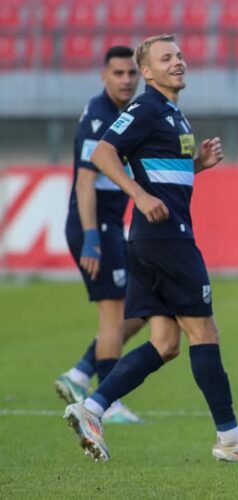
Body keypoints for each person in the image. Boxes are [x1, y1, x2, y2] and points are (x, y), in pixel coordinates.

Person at [62, 34, 238, 464]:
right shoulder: (146, 108)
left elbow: (160, 172)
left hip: (154, 240)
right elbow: (103, 154)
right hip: (166, 239)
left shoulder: (172, 114)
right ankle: (230, 438)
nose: (178, 62)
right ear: (147, 71)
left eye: (178, 55)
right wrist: (139, 196)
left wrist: (199, 165)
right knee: (204, 332)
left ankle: (92, 407)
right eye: (166, 58)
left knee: (164, 343)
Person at [56, 46, 146, 424]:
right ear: (104, 76)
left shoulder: (127, 114)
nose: (126, 80)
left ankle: (80, 373)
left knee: (139, 310)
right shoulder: (99, 117)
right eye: (118, 73)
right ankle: (107, 403)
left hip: (110, 226)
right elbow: (85, 183)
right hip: (96, 227)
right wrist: (91, 237)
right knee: (115, 314)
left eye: (131, 73)